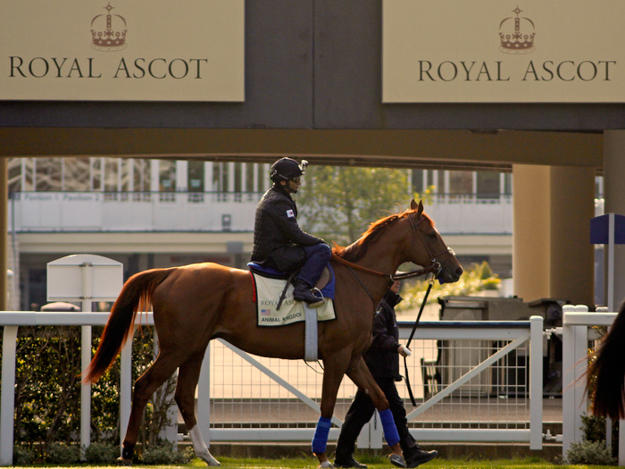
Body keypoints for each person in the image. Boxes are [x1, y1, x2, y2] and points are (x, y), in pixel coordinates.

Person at [334, 280, 438, 469]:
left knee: (361, 414)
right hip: (376, 371)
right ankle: (411, 452)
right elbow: (377, 335)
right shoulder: (381, 305)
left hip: (379, 370)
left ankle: (343, 456)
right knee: (393, 410)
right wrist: (397, 346)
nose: (398, 281)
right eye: (393, 279)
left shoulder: (384, 305)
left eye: (399, 278)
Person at [251, 157, 332, 306]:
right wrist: (321, 242)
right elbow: (296, 235)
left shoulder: (275, 196)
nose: (299, 182)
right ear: (283, 182)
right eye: (296, 179)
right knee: (322, 250)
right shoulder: (278, 201)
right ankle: (302, 288)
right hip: (275, 257)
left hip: (273, 252)